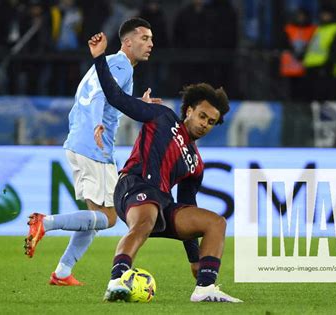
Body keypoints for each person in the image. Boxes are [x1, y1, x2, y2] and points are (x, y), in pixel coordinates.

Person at [88, 32, 242, 303]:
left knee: (215, 223)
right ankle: (116, 280)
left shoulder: (195, 163)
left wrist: (195, 259)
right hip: (134, 185)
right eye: (202, 115)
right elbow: (116, 98)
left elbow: (187, 203)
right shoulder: (162, 116)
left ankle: (205, 288)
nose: (205, 123)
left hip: (161, 201)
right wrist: (100, 58)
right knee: (145, 220)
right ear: (189, 110)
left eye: (211, 121)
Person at [24, 18, 161, 286]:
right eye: (144, 38)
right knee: (109, 218)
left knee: (97, 217)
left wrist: (137, 104)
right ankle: (45, 223)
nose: (150, 44)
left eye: (151, 39)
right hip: (93, 145)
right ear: (128, 41)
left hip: (81, 141)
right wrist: (98, 123)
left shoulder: (108, 63)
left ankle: (62, 273)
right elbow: (99, 96)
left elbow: (102, 97)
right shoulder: (121, 65)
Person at [303, 6, 336, 101]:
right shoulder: (320, 28)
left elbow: (335, 51)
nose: (324, 16)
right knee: (310, 96)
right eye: (323, 14)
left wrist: (328, 66)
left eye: (327, 14)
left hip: (324, 67)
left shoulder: (335, 29)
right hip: (311, 65)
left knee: (323, 96)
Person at [279, 8, 316, 101]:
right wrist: (294, 53)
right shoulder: (289, 28)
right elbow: (284, 43)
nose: (301, 18)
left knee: (305, 89)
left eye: (303, 16)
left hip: (307, 64)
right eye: (299, 16)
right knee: (290, 90)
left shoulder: (313, 29)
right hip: (290, 65)